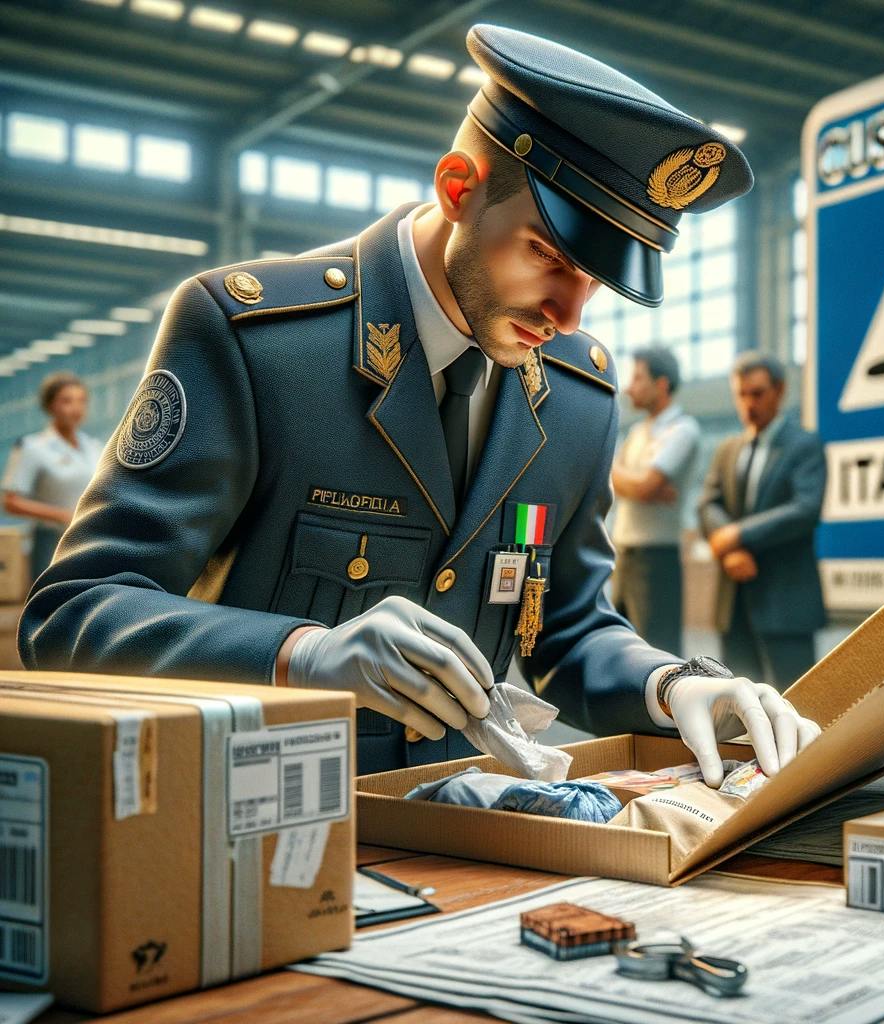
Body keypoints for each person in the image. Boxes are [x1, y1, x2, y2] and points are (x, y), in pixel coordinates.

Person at [19, 25, 821, 785]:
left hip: (462, 831)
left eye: (595, 281)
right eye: (546, 255)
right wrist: (301, 653)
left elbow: (568, 629)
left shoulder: (578, 399)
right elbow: (75, 611)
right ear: (458, 187)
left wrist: (668, 684)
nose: (568, 316)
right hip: (256, 824)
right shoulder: (258, 342)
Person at [699, 352, 827, 691]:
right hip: (734, 601)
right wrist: (729, 551)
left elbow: (805, 509)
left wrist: (739, 534)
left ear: (780, 390)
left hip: (785, 603)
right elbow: (708, 504)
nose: (748, 403)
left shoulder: (803, 445)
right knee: (738, 709)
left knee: (797, 704)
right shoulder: (729, 448)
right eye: (741, 394)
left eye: (757, 393)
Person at [611, 347, 698, 656]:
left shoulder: (684, 430)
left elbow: (644, 486)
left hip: (656, 561)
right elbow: (623, 484)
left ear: (661, 384)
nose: (629, 387)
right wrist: (636, 483)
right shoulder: (636, 432)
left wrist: (635, 482)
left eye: (638, 378)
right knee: (620, 650)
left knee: (657, 655)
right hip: (622, 555)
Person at [2, 372, 103, 583]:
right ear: (50, 406)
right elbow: (11, 502)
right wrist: (62, 515)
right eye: (67, 401)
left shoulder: (94, 447)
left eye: (81, 401)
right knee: (50, 607)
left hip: (89, 539)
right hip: (49, 541)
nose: (76, 408)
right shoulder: (32, 448)